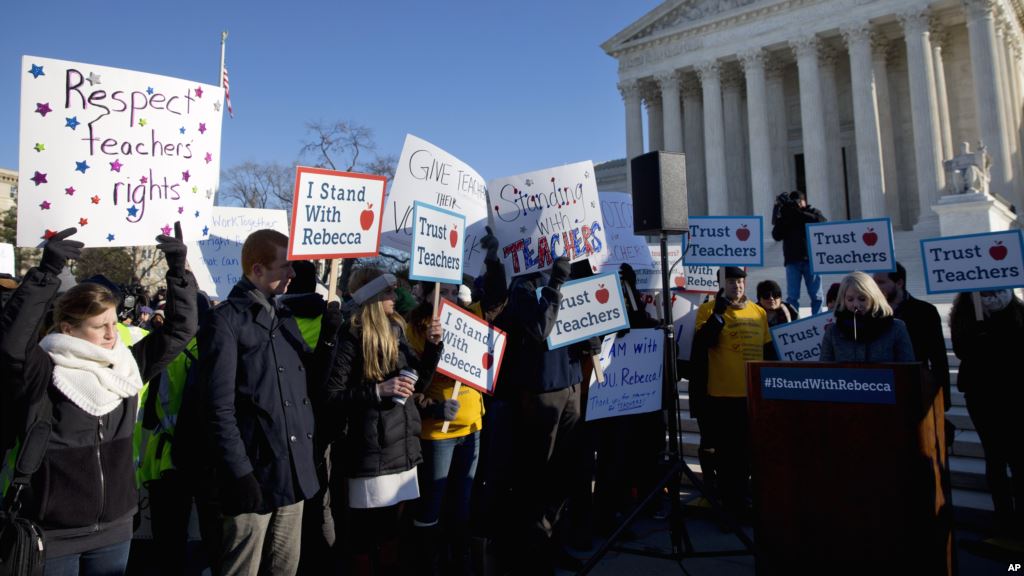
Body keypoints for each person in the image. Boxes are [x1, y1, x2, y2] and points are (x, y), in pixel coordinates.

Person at [0, 225, 197, 575]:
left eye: (112, 322)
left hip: (115, 529)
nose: (112, 334)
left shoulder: (126, 365)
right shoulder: (42, 371)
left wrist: (179, 273)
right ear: (68, 329)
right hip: (53, 533)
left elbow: (180, 330)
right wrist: (45, 274)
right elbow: (13, 346)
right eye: (99, 326)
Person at [198, 229, 334, 576]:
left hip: (293, 471)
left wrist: (331, 337)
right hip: (254, 476)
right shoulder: (225, 321)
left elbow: (310, 383)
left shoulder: (283, 317)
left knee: (284, 569)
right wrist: (240, 473)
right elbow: (218, 409)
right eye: (284, 266)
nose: (292, 274)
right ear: (257, 270)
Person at [325, 267, 443, 574]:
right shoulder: (352, 333)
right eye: (388, 291)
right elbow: (333, 395)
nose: (396, 296)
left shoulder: (397, 328)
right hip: (370, 452)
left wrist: (433, 348)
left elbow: (418, 382)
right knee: (366, 535)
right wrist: (377, 390)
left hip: (401, 447)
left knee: (392, 532)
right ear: (372, 295)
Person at [407, 283, 482, 575]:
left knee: (462, 505)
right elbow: (414, 384)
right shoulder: (415, 330)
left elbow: (497, 296)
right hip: (438, 433)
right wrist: (435, 408)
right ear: (428, 297)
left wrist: (493, 262)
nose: (453, 297)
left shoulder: (468, 321)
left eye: (454, 292)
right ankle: (429, 565)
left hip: (471, 425)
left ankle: (459, 563)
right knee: (431, 506)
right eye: (444, 292)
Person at [690, 266, 775, 518]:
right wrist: (717, 315)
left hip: (751, 395)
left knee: (747, 455)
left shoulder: (758, 311)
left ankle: (743, 501)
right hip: (721, 395)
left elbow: (768, 351)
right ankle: (729, 507)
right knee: (726, 457)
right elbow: (703, 344)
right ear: (721, 283)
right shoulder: (707, 310)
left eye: (740, 281)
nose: (736, 286)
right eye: (730, 281)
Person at [950, 289, 1024, 537]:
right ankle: (1002, 517)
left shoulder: (1017, 310)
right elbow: (960, 349)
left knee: (1018, 457)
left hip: (1014, 394)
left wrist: (995, 336)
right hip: (981, 394)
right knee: (995, 456)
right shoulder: (965, 310)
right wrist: (979, 334)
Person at [873, 263, 950, 409]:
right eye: (873, 282)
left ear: (899, 283)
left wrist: (942, 399)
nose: (875, 287)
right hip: (881, 389)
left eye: (881, 282)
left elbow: (938, 357)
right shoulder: (870, 313)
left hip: (914, 386)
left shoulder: (925, 311)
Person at [819, 271, 914, 363]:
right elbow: (824, 373)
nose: (856, 304)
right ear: (843, 300)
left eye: (862, 299)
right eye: (850, 299)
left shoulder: (896, 328)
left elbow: (907, 369)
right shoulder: (833, 332)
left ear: (873, 297)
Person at [771, 190, 827, 315]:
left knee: (816, 296)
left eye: (798, 201)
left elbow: (821, 222)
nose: (797, 204)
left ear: (804, 201)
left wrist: (798, 212)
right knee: (792, 297)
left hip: (812, 260)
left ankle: (817, 320)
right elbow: (776, 235)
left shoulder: (812, 212)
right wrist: (785, 215)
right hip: (792, 261)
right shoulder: (787, 215)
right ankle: (794, 322)